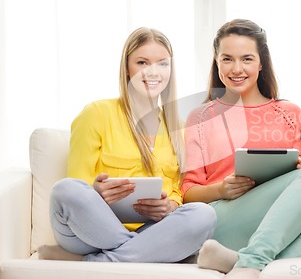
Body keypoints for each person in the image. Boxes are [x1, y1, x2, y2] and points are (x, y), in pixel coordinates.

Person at [182, 19, 301, 279]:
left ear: (261, 63)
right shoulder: (201, 117)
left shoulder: (289, 113)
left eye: (247, 59)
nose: (237, 68)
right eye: (227, 59)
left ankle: (242, 258)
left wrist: (298, 172)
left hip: (279, 222)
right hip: (226, 217)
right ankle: (251, 261)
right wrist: (221, 189)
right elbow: (187, 192)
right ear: (216, 61)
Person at [37, 27, 216, 263]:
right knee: (65, 189)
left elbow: (175, 189)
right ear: (127, 68)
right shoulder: (96, 113)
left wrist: (169, 207)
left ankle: (98, 261)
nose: (153, 72)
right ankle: (142, 255)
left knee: (204, 214)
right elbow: (77, 184)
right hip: (88, 232)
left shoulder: (178, 128)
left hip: (149, 230)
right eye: (142, 62)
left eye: (162, 64)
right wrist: (96, 193)